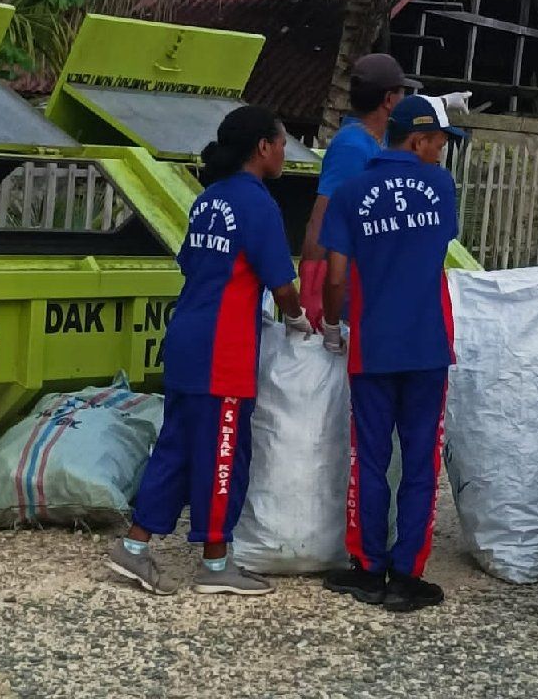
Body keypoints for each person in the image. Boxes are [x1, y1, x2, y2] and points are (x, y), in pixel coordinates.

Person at [107, 106, 315, 596]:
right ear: (263, 147)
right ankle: (216, 564)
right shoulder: (258, 204)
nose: (285, 153)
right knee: (224, 453)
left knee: (175, 449)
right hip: (224, 349)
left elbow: (195, 264)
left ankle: (134, 547)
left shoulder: (210, 200)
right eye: (282, 143)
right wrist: (300, 320)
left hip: (186, 339)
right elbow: (281, 285)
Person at [317, 94, 464, 613]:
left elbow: (335, 276)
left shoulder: (352, 191)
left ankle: (368, 568)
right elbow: (435, 248)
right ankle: (407, 576)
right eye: (440, 143)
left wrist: (333, 325)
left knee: (371, 458)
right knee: (421, 461)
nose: (442, 154)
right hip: (426, 344)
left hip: (372, 345)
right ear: (419, 140)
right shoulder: (440, 186)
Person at [298, 54, 421, 330]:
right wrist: (312, 281)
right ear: (389, 101)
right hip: (347, 288)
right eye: (401, 94)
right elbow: (323, 215)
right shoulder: (352, 147)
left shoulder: (379, 141)